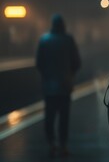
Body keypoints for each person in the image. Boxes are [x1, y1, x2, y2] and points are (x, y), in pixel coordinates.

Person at [36, 14, 81, 157]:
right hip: (65, 86)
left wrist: (47, 76)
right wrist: (70, 74)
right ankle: (63, 145)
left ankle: (51, 143)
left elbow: (39, 63)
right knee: (64, 118)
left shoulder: (44, 40)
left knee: (49, 116)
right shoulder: (68, 40)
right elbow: (76, 62)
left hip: (49, 87)